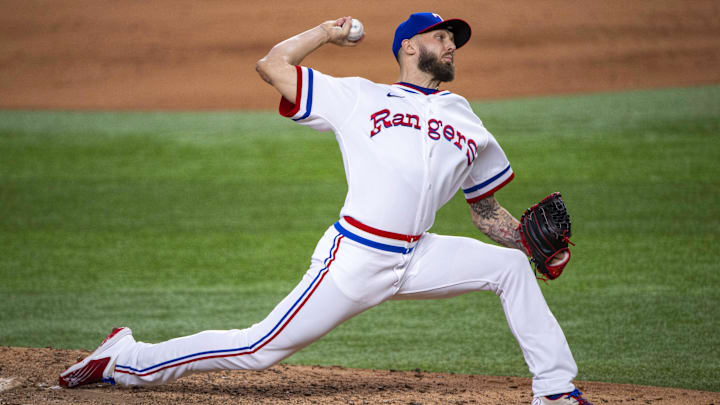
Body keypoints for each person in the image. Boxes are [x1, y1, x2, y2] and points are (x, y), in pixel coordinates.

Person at [59, 13, 591, 405]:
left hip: (420, 255)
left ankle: (555, 390)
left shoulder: (464, 116)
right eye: (440, 37)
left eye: (453, 41)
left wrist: (523, 238)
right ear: (408, 47)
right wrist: (327, 34)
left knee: (509, 269)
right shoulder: (360, 97)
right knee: (258, 348)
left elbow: (484, 211)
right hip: (355, 259)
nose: (451, 46)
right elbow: (272, 65)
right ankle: (124, 358)